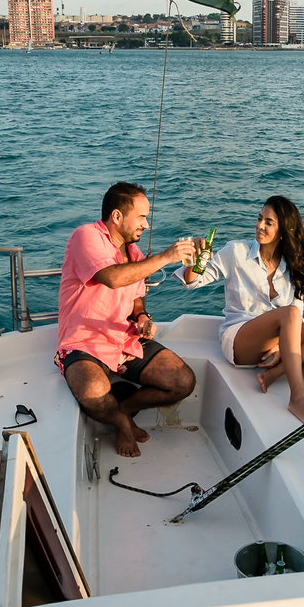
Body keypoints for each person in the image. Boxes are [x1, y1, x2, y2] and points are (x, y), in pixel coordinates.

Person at [173, 196, 304, 423]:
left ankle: (276, 372)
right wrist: (195, 262)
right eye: (259, 219)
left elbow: (297, 312)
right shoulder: (236, 251)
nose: (259, 226)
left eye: (269, 222)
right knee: (291, 314)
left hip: (276, 341)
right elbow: (193, 282)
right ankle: (298, 398)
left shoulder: (292, 264)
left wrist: (279, 345)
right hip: (239, 340)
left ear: (284, 230)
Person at [56, 182, 198, 458]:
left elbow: (135, 298)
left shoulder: (135, 254)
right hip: (83, 342)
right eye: (142, 217)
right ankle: (121, 422)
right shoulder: (86, 236)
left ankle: (124, 408)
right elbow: (111, 277)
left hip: (123, 339)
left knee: (183, 381)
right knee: (93, 389)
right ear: (117, 216)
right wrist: (166, 257)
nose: (146, 224)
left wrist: (142, 316)